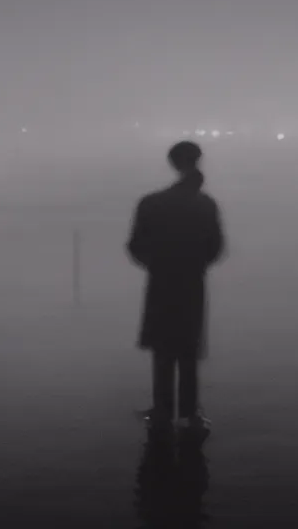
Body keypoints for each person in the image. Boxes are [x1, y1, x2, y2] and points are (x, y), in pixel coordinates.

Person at [126, 140, 226, 431]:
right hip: (192, 283)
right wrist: (193, 263)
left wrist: (157, 263)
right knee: (188, 349)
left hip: (161, 282)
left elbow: (135, 246)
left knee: (163, 350)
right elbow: (216, 248)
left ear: (172, 162)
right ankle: (191, 413)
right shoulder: (205, 204)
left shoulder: (151, 203)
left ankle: (162, 411)